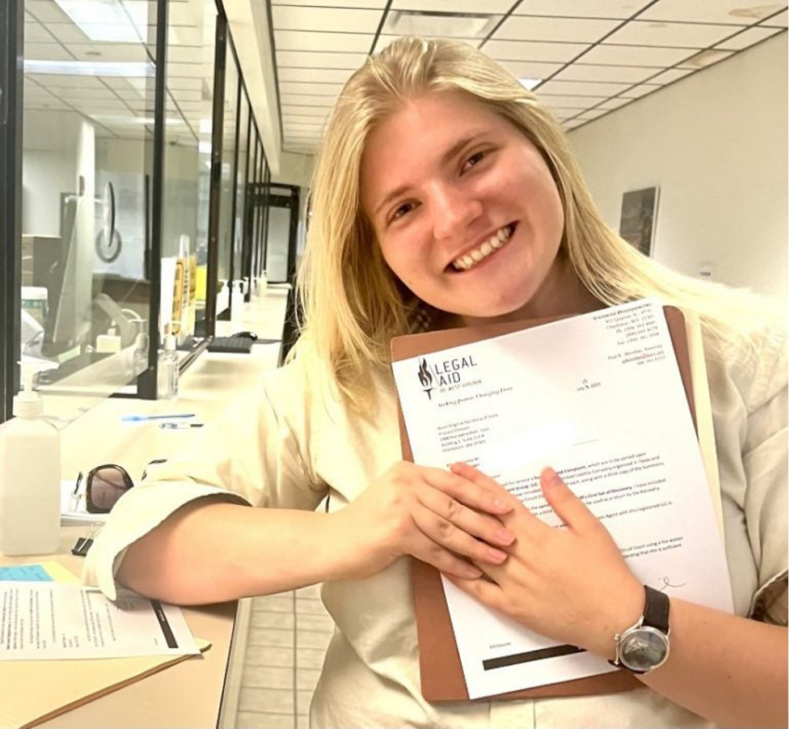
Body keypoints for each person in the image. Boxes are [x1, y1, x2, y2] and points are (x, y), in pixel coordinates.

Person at [85, 37, 788, 729]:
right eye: (403, 208)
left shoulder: (742, 362)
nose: (455, 218)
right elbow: (142, 541)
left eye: (473, 160)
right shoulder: (344, 383)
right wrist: (352, 536)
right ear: (376, 246)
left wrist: (620, 619)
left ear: (543, 148)